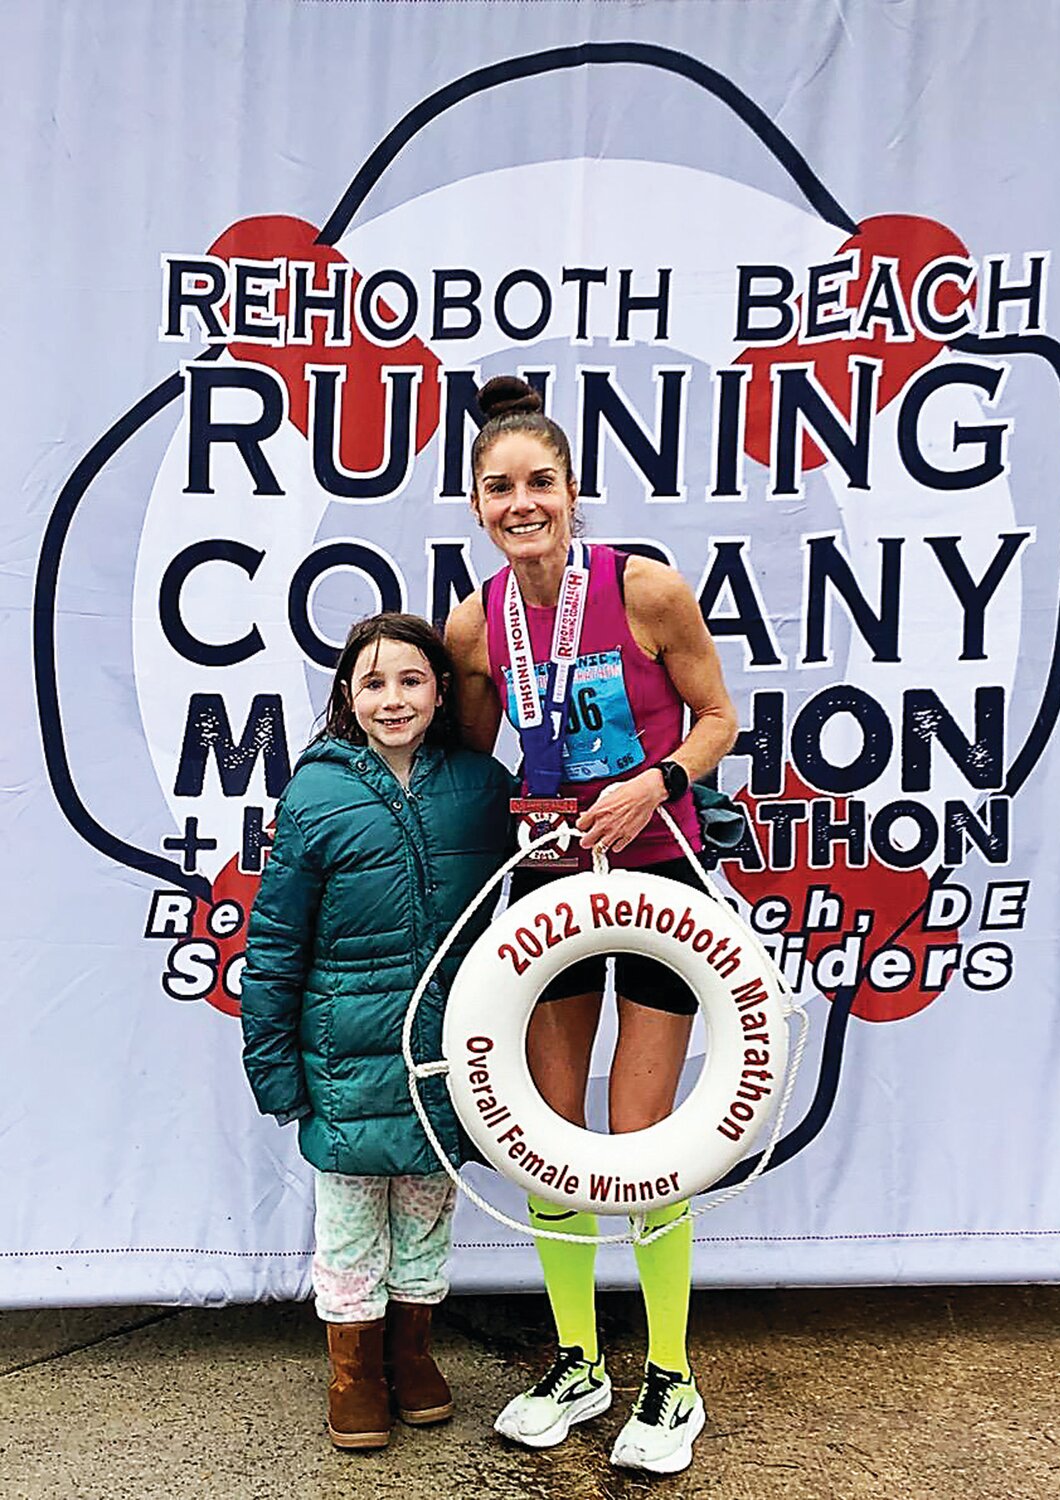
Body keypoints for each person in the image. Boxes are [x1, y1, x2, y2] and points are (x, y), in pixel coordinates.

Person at [445, 376, 739, 1476]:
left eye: (540, 484)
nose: (522, 503)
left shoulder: (649, 590)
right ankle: (579, 1361)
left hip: (665, 885)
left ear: (574, 491)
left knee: (649, 1137)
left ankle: (672, 1373)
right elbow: (474, 757)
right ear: (475, 504)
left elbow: (718, 719)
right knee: (552, 1136)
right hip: (555, 895)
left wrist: (655, 781)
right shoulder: (475, 621)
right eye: (499, 487)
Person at [240, 612, 514, 1451]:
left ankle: (413, 1351)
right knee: (354, 1220)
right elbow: (276, 942)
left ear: (441, 690)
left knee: (428, 1210)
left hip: (442, 1053)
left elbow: (567, 844)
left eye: (411, 680)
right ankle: (354, 1369)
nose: (392, 699)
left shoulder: (484, 786)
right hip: (344, 1057)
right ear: (346, 698)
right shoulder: (314, 793)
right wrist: (276, 1067)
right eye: (372, 683)